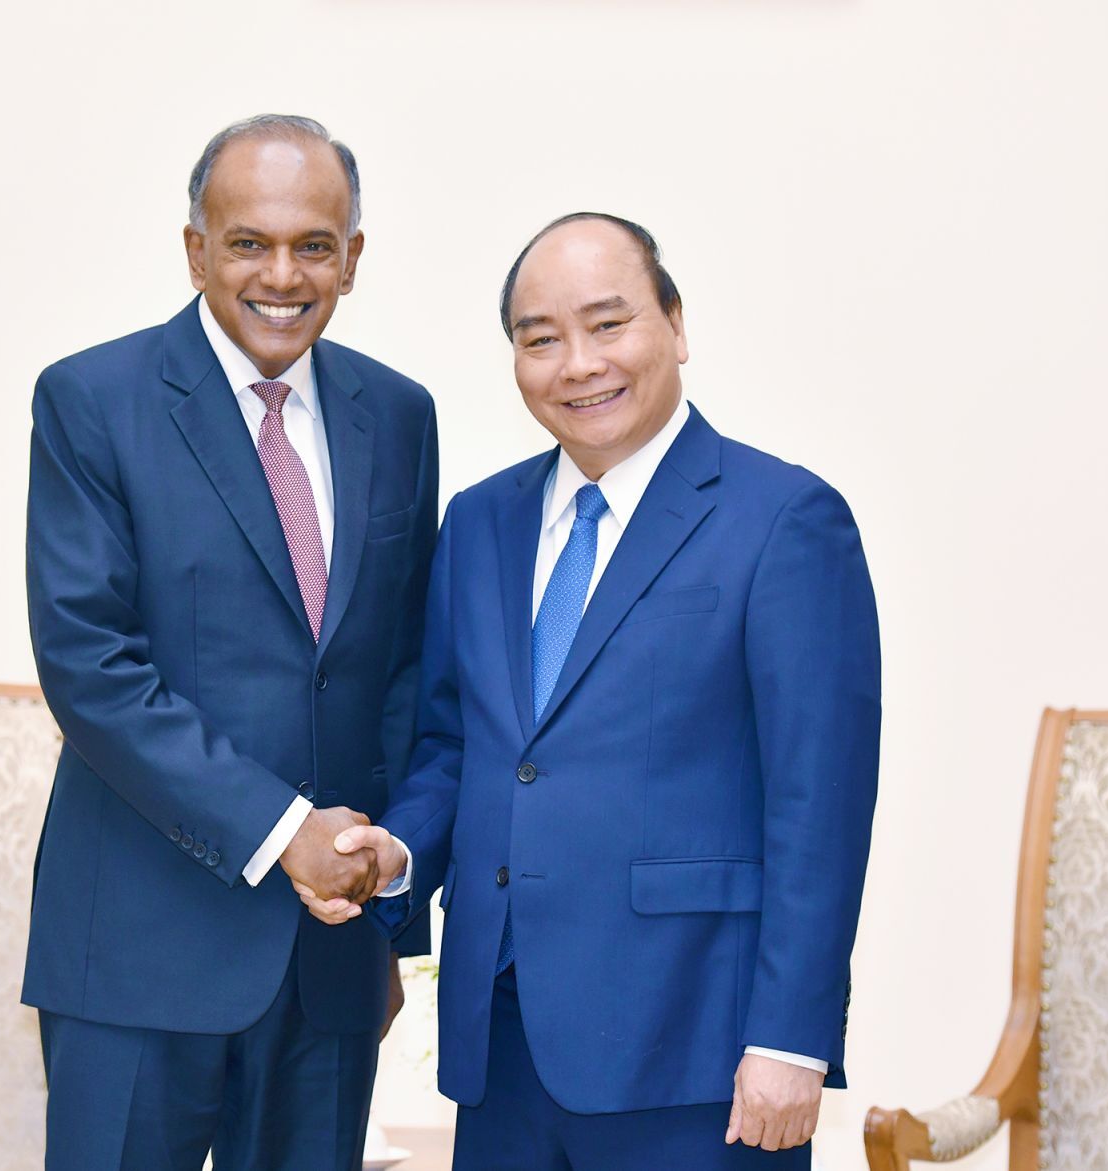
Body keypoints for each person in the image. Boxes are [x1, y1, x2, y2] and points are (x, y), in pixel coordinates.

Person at [299, 213, 880, 1168]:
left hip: (698, 1051)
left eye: (609, 324)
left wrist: (792, 1037)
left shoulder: (785, 520)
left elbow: (820, 804)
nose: (578, 364)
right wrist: (397, 852)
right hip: (503, 1043)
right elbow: (457, 748)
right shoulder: (479, 522)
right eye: (540, 339)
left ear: (676, 325)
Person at [22, 114, 438, 1171]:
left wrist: (386, 917)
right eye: (249, 242)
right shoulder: (91, 401)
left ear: (353, 257)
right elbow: (91, 668)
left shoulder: (399, 414)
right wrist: (284, 831)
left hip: (329, 955)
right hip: (137, 952)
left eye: (313, 245)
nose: (282, 275)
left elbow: (400, 674)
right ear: (196, 250)